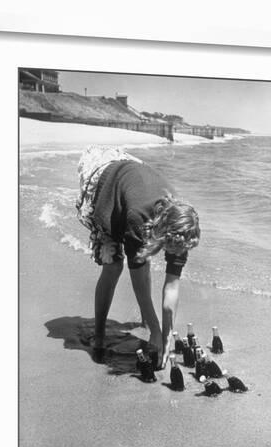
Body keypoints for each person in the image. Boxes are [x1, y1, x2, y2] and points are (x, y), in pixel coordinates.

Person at [76, 145, 200, 369]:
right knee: (114, 266)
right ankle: (100, 333)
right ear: (164, 233)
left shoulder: (182, 225)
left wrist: (167, 335)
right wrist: (155, 329)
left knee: (144, 258)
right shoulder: (138, 218)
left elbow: (172, 288)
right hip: (105, 183)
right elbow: (139, 279)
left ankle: (148, 320)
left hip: (133, 178)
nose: (175, 252)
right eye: (171, 247)